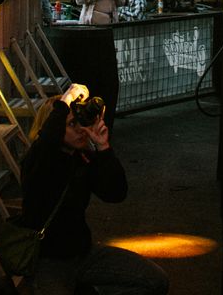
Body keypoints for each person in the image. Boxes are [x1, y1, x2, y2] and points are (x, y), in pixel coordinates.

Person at [19, 83, 167, 294]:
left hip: (83, 254)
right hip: (47, 261)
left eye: (80, 122)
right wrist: (66, 100)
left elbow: (115, 193)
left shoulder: (82, 158)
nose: (81, 129)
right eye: (71, 125)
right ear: (53, 127)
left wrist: (103, 148)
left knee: (156, 280)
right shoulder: (38, 160)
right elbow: (47, 143)